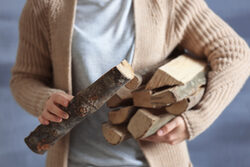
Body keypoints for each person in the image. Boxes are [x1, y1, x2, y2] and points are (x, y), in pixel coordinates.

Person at [10, 0, 250, 167]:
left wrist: (195, 121)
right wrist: (44, 100)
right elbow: (24, 78)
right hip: (75, 162)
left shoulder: (170, 3)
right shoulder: (44, 5)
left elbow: (234, 53)